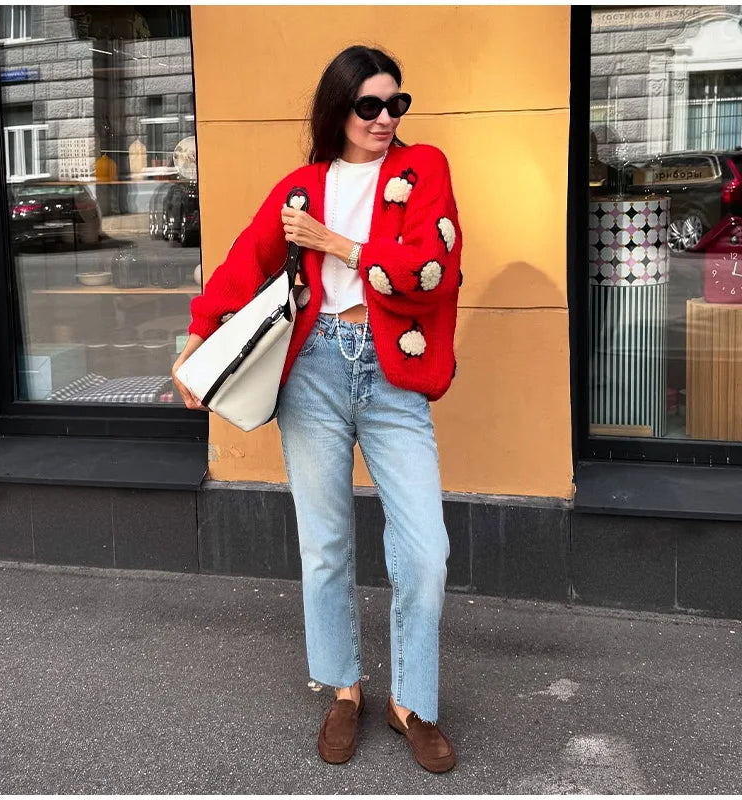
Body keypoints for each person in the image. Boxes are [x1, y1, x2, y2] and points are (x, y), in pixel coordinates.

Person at [172, 45, 462, 773]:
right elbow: (247, 261)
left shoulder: (423, 170)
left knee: (426, 552)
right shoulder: (301, 187)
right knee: (326, 543)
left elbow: (435, 269)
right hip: (315, 371)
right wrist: (197, 342)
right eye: (370, 105)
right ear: (339, 109)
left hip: (392, 374)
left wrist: (339, 245)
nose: (386, 118)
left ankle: (413, 701)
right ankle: (343, 688)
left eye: (397, 103)